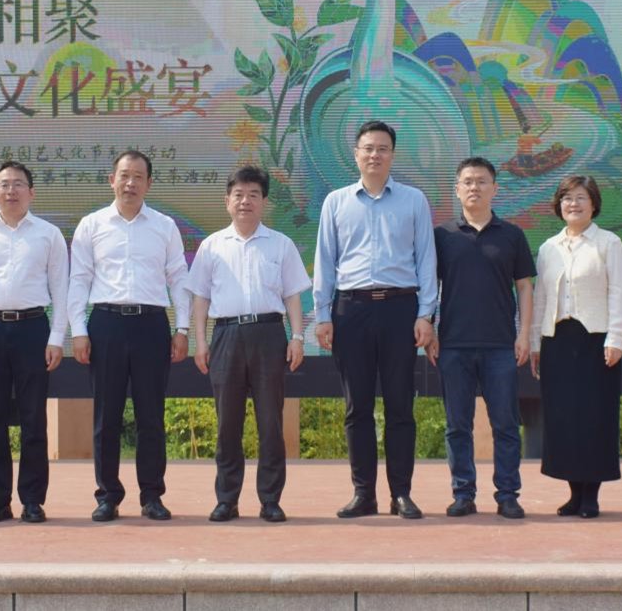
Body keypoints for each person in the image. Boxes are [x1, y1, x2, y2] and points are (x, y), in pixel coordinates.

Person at [313, 120, 438, 520]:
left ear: (392, 155)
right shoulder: (336, 202)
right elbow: (325, 261)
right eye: (368, 148)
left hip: (400, 309)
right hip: (351, 310)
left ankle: (401, 494)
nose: (375, 155)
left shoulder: (414, 200)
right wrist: (322, 315)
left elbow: (426, 260)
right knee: (357, 407)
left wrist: (426, 314)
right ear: (356, 154)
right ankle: (363, 493)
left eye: (383, 148)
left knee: (401, 404)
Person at [69, 150, 191, 522]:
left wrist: (182, 328)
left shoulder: (164, 226)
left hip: (151, 326)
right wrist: (78, 330)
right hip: (106, 324)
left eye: (138, 176)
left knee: (151, 415)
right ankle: (107, 495)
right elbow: (79, 280)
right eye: (124, 175)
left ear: (149, 184)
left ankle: (152, 495)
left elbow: (178, 278)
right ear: (112, 180)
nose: (130, 183)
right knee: (106, 416)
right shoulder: (91, 225)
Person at [189, 165, 310, 523]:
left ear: (264, 202)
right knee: (228, 423)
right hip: (226, 336)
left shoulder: (280, 244)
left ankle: (270, 499)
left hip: (269, 335)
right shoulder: (211, 246)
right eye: (239, 195)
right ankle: (226, 499)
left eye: (253, 195)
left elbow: (292, 296)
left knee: (270, 421)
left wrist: (297, 337)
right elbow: (200, 299)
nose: (245, 201)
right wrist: (201, 342)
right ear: (227, 201)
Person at [0, 160, 69, 524]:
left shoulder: (49, 234)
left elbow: (61, 290)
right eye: (4, 185)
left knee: (34, 418)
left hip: (33, 329)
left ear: (31, 192)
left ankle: (32, 500)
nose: (11, 191)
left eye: (18, 184)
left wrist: (57, 338)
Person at [433, 156, 535, 519]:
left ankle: (507, 494)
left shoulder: (512, 235)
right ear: (457, 189)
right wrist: (429, 328)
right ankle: (463, 493)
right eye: (467, 181)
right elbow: (430, 286)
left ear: (495, 188)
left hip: (500, 346)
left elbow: (524, 287)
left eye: (481, 181)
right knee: (457, 426)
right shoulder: (442, 236)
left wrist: (524, 334)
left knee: (505, 424)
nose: (474, 187)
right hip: (453, 345)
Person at [531, 175, 622, 519]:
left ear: (594, 203)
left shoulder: (609, 243)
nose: (573, 204)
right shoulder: (549, 247)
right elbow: (541, 298)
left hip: (596, 341)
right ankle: (573, 493)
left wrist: (616, 338)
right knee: (563, 419)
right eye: (567, 198)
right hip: (557, 341)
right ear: (559, 205)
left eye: (581, 198)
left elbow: (618, 292)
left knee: (594, 417)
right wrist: (535, 342)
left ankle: (591, 496)